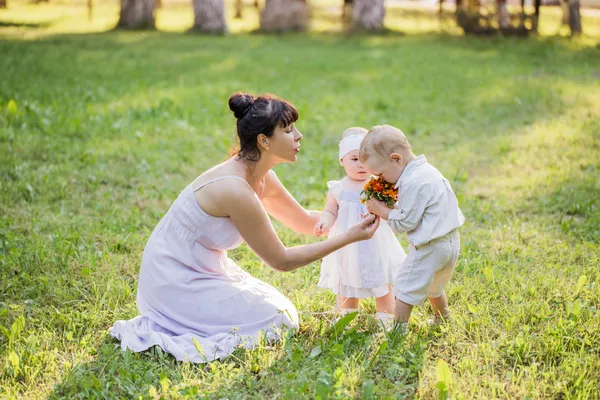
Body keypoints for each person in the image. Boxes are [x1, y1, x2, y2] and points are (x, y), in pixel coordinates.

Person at [109, 93, 380, 363]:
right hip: (172, 279)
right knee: (280, 320)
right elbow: (282, 260)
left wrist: (357, 209)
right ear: (264, 140)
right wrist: (348, 237)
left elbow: (305, 221)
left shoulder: (261, 176)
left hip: (203, 268)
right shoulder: (235, 189)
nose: (299, 136)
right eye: (288, 130)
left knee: (282, 313)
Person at [360, 125, 464, 326]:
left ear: (396, 159)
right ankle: (443, 319)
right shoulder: (427, 172)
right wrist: (394, 206)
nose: (380, 180)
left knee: (404, 289)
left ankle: (398, 332)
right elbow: (418, 209)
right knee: (435, 287)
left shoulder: (413, 182)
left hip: (429, 247)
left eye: (380, 174)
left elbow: (406, 222)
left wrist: (382, 210)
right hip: (450, 243)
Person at [314, 127, 405, 328]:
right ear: (342, 161)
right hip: (348, 243)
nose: (361, 165)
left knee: (381, 279)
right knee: (347, 278)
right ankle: (347, 314)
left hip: (376, 241)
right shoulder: (338, 188)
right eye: (354, 159)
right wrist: (325, 221)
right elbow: (330, 211)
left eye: (365, 160)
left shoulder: (378, 184)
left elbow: (390, 206)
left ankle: (385, 316)